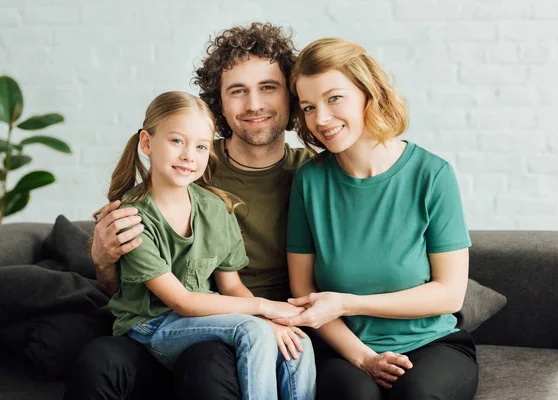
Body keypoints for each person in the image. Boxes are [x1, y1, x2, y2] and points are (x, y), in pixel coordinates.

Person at [63, 23, 315, 400]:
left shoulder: (311, 175)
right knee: (110, 359)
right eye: (237, 91)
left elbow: (230, 283)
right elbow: (163, 293)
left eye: (267, 87)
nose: (253, 104)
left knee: (293, 345)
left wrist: (276, 316)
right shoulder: (183, 175)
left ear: (289, 95)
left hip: (235, 314)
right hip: (181, 318)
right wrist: (101, 259)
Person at [274, 37, 479, 399]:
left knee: (415, 394)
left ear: (370, 93)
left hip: (432, 344)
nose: (320, 118)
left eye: (334, 98)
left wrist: (349, 302)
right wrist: (364, 358)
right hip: (344, 348)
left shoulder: (432, 175)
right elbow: (303, 291)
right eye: (308, 107)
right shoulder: (310, 181)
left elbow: (449, 295)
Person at [100, 90, 314, 400]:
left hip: (201, 317)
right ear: (147, 142)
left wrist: (272, 322)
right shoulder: (132, 219)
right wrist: (262, 309)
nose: (189, 155)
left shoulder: (216, 207)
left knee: (295, 341)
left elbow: (231, 285)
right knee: (253, 331)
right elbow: (183, 302)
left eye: (201, 146)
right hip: (150, 325)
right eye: (177, 141)